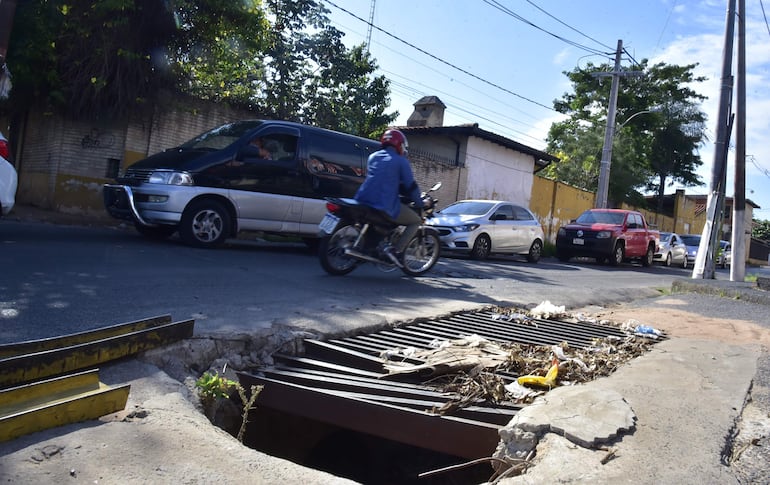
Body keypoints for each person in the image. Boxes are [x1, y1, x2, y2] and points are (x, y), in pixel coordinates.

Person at [354, 128, 423, 260]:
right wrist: (419, 203)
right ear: (399, 144)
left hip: (362, 200)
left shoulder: (372, 157)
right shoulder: (401, 161)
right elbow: (411, 186)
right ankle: (395, 252)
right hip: (383, 204)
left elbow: (379, 178)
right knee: (416, 221)